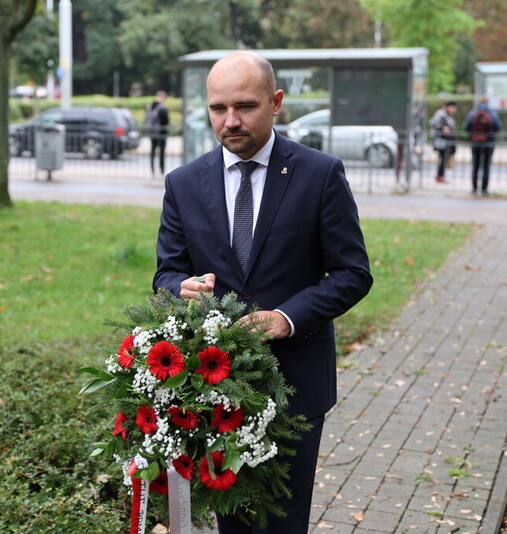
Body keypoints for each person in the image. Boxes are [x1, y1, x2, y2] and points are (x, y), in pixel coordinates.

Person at [153, 51, 373, 534]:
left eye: (245, 106)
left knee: (283, 521)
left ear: (276, 103)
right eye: (218, 108)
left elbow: (353, 273)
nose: (230, 121)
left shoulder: (320, 174)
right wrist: (180, 287)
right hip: (212, 388)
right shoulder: (184, 183)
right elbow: (167, 274)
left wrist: (287, 318)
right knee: (231, 520)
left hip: (296, 383)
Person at [464, 96, 502, 197]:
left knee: (475, 166)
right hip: (489, 143)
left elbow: (466, 127)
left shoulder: (472, 113)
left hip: (475, 143)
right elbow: (498, 127)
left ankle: (474, 188)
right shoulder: (492, 113)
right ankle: (484, 189)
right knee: (486, 166)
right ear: (488, 103)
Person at [428, 101, 458, 184]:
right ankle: (440, 176)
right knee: (443, 157)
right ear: (448, 107)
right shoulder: (441, 114)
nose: (454, 109)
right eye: (453, 107)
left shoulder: (447, 115)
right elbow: (433, 123)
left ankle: (441, 175)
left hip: (447, 140)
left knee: (445, 157)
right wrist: (442, 128)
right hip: (442, 140)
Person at [146, 90, 170, 176]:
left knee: (152, 150)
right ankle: (161, 169)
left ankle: (152, 169)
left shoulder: (149, 107)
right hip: (161, 133)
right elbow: (166, 121)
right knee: (161, 152)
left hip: (152, 133)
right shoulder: (162, 108)